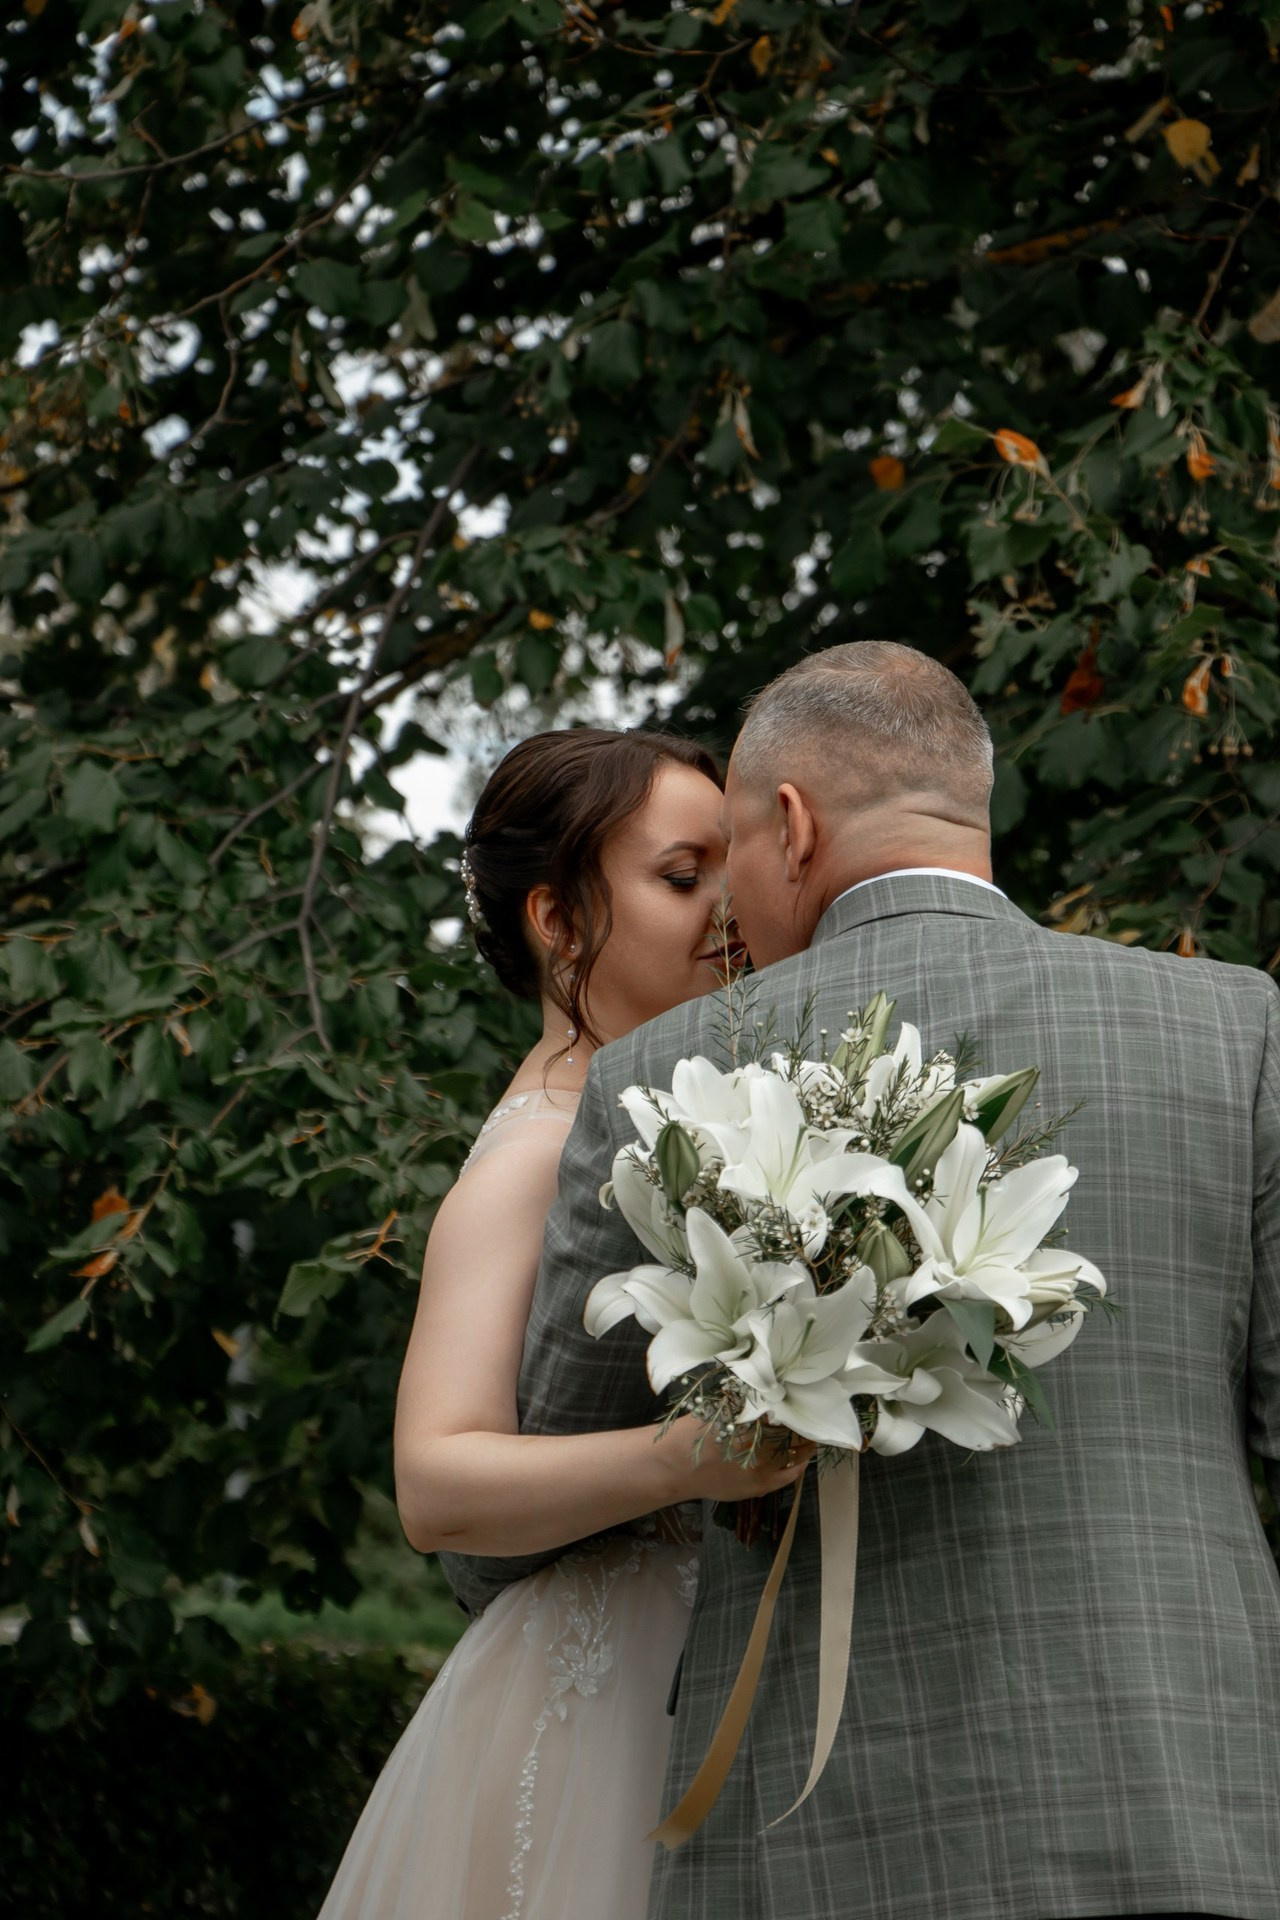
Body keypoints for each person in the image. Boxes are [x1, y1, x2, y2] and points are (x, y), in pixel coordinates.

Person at [446, 643, 1280, 1920]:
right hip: (1191, 1794)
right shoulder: (1242, 1027)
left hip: (825, 1832)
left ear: (786, 826)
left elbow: (558, 1466)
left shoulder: (667, 1076)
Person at [316, 727, 808, 1920]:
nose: (725, 912)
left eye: (726, 875)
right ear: (558, 920)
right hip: (598, 1693)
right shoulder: (536, 1152)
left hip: (715, 1663)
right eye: (680, 877)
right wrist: (687, 1457)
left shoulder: (668, 1117)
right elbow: (434, 1480)